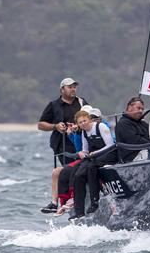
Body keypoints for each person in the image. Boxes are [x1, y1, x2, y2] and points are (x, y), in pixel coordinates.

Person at [55, 109, 116, 220]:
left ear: (89, 119)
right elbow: (85, 149)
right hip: (93, 156)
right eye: (80, 122)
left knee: (91, 168)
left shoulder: (100, 126)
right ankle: (79, 211)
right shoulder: (83, 132)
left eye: (84, 121)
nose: (83, 123)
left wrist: (95, 153)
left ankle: (94, 201)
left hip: (108, 154)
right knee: (78, 175)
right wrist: (82, 154)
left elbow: (110, 145)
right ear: (78, 124)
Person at [38, 78, 87, 213]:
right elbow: (41, 124)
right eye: (69, 87)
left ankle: (78, 196)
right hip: (63, 145)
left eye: (74, 87)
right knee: (69, 170)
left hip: (82, 141)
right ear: (62, 90)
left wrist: (78, 126)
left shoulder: (81, 102)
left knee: (80, 169)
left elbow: (91, 118)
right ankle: (69, 199)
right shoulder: (53, 105)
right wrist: (55, 126)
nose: (73, 89)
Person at [115, 97, 150, 163]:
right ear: (129, 108)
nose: (141, 111)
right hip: (132, 157)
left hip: (147, 151)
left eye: (142, 109)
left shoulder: (143, 123)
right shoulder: (123, 124)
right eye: (138, 108)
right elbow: (135, 141)